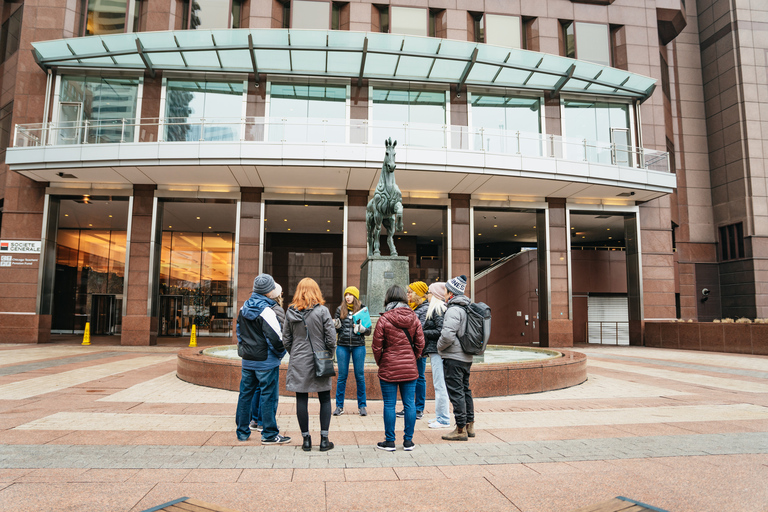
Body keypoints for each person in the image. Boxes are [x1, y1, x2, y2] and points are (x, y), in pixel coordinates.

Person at [235, 274, 290, 445]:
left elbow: (239, 333)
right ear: (268, 291)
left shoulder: (244, 307)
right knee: (268, 396)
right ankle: (269, 434)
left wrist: (244, 351)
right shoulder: (267, 310)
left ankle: (242, 432)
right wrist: (279, 354)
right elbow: (276, 338)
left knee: (245, 394)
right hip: (266, 361)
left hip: (248, 360)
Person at [283, 277, 337, 452]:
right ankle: (324, 440)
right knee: (325, 398)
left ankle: (306, 440)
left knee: (301, 398)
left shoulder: (290, 311)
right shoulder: (323, 311)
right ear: (317, 291)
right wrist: (329, 355)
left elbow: (286, 339)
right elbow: (331, 339)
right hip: (320, 358)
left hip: (299, 359)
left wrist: (296, 353)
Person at [372, 284, 425, 451]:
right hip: (409, 367)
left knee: (389, 404)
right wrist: (413, 357)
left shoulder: (384, 319)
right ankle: (408, 441)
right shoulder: (414, 318)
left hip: (388, 367)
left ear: (387, 299)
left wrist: (382, 361)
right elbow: (420, 343)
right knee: (409, 403)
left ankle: (390, 441)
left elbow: (376, 347)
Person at [437, 275, 474, 442]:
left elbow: (447, 336)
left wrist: (438, 347)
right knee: (465, 390)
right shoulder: (467, 307)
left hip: (454, 357)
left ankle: (460, 429)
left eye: (445, 290)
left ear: (451, 293)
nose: (444, 293)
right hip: (466, 356)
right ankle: (469, 425)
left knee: (456, 392)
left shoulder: (453, 310)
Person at [250, 283, 284, 433]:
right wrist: (280, 353)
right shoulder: (274, 309)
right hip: (268, 358)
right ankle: (266, 425)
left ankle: (254, 420)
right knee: (269, 392)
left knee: (256, 389)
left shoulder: (248, 307)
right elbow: (278, 337)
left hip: (253, 356)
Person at [332, 286, 370, 417]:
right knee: (342, 376)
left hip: (358, 346)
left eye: (350, 294)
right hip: (342, 346)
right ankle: (339, 406)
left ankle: (362, 406)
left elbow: (369, 331)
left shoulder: (362, 309)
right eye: (346, 294)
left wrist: (361, 328)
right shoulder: (339, 309)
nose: (347, 297)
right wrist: (336, 326)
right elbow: (336, 330)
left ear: (355, 296)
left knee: (360, 376)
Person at [396, 281, 429, 420]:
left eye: (410, 292)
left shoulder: (424, 309)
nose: (408, 294)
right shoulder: (412, 308)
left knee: (419, 377)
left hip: (419, 350)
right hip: (409, 349)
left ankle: (419, 408)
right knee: (410, 379)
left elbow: (418, 329)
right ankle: (409, 407)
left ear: (418, 294)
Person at [423, 282, 451, 429]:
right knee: (440, 385)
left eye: (429, 292)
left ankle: (444, 419)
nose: (427, 295)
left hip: (437, 351)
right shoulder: (438, 308)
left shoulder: (438, 309)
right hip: (437, 351)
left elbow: (440, 331)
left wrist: (423, 333)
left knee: (440, 385)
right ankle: (440, 415)